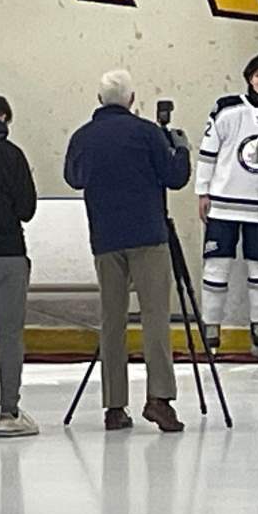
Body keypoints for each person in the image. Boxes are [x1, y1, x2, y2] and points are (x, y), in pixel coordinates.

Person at [64, 70, 191, 432]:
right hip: (148, 235)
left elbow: (73, 178)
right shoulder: (148, 132)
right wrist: (179, 149)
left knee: (112, 322)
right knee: (154, 318)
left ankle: (114, 406)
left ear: (99, 99)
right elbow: (175, 178)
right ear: (132, 99)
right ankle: (159, 398)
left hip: (105, 237)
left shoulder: (82, 137)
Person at [197, 52, 258, 355]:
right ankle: (210, 331)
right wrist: (203, 191)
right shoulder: (227, 108)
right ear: (249, 77)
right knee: (216, 266)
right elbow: (208, 151)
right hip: (223, 203)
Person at [0, 93, 38, 438]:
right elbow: (27, 208)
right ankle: (8, 413)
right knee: (10, 335)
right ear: (1, 118)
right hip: (7, 253)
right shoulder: (11, 155)